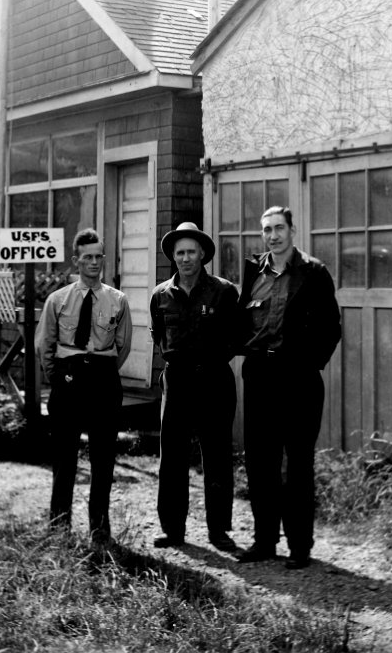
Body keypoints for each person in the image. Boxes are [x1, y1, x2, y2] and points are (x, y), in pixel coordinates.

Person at [237, 206, 341, 568]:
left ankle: (300, 547)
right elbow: (242, 321)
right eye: (266, 230)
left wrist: (307, 364)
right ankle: (264, 541)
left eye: (279, 228)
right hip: (260, 377)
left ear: (293, 230)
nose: (273, 236)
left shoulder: (313, 272)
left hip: (298, 380)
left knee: (297, 465)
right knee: (260, 462)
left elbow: (331, 328)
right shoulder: (254, 270)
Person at [35, 228, 132, 545]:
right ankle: (59, 526)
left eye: (98, 256)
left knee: (103, 458)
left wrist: (100, 372)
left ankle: (100, 528)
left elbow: (123, 345)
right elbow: (45, 347)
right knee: (64, 458)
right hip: (68, 380)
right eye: (87, 257)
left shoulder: (117, 300)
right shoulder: (58, 300)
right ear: (76, 261)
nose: (94, 262)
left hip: (103, 380)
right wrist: (61, 376)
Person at [149, 222, 240, 551]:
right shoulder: (161, 295)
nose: (186, 258)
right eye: (180, 253)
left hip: (214, 379)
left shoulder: (223, 292)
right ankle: (173, 530)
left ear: (202, 254)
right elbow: (158, 336)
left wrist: (209, 361)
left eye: (191, 252)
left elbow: (235, 337)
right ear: (173, 257)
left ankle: (219, 531)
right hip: (177, 381)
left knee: (215, 456)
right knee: (171, 457)